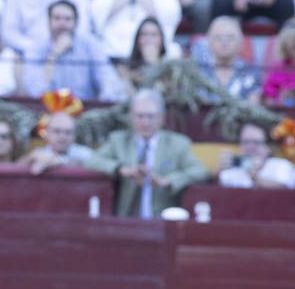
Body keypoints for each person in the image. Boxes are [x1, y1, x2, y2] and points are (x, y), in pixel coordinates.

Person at [83, 88, 207, 217]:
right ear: (131, 117)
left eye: (150, 116)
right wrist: (121, 169)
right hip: (125, 220)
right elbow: (92, 161)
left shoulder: (177, 144)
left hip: (162, 221)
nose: (145, 122)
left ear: (161, 118)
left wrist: (168, 181)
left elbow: (200, 170)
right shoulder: (118, 140)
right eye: (140, 116)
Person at [23, 0, 124, 102]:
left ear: (76, 23)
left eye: (67, 19)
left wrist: (104, 104)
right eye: (57, 18)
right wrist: (53, 55)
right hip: (46, 112)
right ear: (49, 22)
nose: (62, 23)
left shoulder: (90, 45)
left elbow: (108, 80)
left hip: (85, 110)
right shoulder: (36, 47)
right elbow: (35, 91)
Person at [191, 16, 261, 102]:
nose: (224, 42)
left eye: (230, 38)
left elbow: (253, 109)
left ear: (240, 41)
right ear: (209, 41)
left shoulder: (250, 72)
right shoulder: (197, 72)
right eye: (218, 37)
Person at [217, 121, 293, 188]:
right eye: (245, 142)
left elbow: (284, 189)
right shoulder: (233, 169)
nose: (250, 147)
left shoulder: (280, 165)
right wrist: (217, 172)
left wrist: (255, 178)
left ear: (268, 147)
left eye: (256, 142)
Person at [19, 110, 93, 173]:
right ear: (47, 133)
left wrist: (61, 162)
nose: (63, 136)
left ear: (74, 136)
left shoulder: (86, 154)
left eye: (68, 132)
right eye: (57, 131)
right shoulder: (39, 154)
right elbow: (16, 169)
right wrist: (31, 157)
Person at [117, 17, 167, 93]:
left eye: (154, 35)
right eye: (144, 34)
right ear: (137, 39)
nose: (149, 39)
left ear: (161, 40)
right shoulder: (124, 68)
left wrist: (153, 63)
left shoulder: (170, 68)